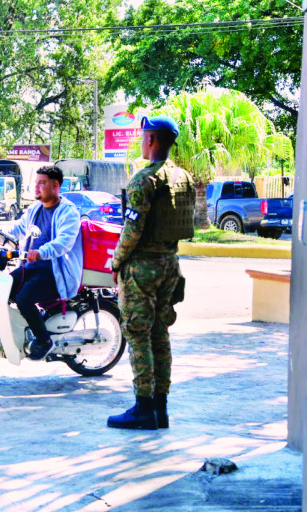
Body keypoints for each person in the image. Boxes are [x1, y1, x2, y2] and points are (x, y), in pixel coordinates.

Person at [107, 116, 195, 431]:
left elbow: (131, 232)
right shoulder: (184, 177)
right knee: (160, 333)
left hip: (142, 268)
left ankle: (143, 408)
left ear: (153, 141)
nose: (142, 142)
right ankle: (160, 408)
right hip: (170, 264)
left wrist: (116, 263)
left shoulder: (144, 180)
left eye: (144, 137)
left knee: (137, 333)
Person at [7, 166, 82, 361]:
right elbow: (18, 228)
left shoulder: (69, 212)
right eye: (36, 183)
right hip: (31, 268)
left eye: (42, 183)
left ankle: (44, 340)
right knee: (1, 288)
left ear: (55, 186)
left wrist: (40, 252)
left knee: (24, 298)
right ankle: (25, 330)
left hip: (55, 272)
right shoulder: (35, 208)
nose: (37, 188)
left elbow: (64, 241)